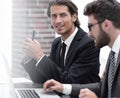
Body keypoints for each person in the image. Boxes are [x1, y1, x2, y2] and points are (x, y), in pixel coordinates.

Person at [43, 0, 120, 98]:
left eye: (90, 26)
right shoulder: (114, 53)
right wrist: (63, 88)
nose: (89, 34)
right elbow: (104, 87)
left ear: (106, 25)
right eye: (54, 16)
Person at [22, 0, 100, 85]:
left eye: (63, 15)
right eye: (54, 16)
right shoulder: (57, 43)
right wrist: (30, 56)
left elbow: (69, 81)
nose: (57, 21)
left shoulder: (88, 44)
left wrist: (39, 55)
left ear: (74, 17)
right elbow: (42, 79)